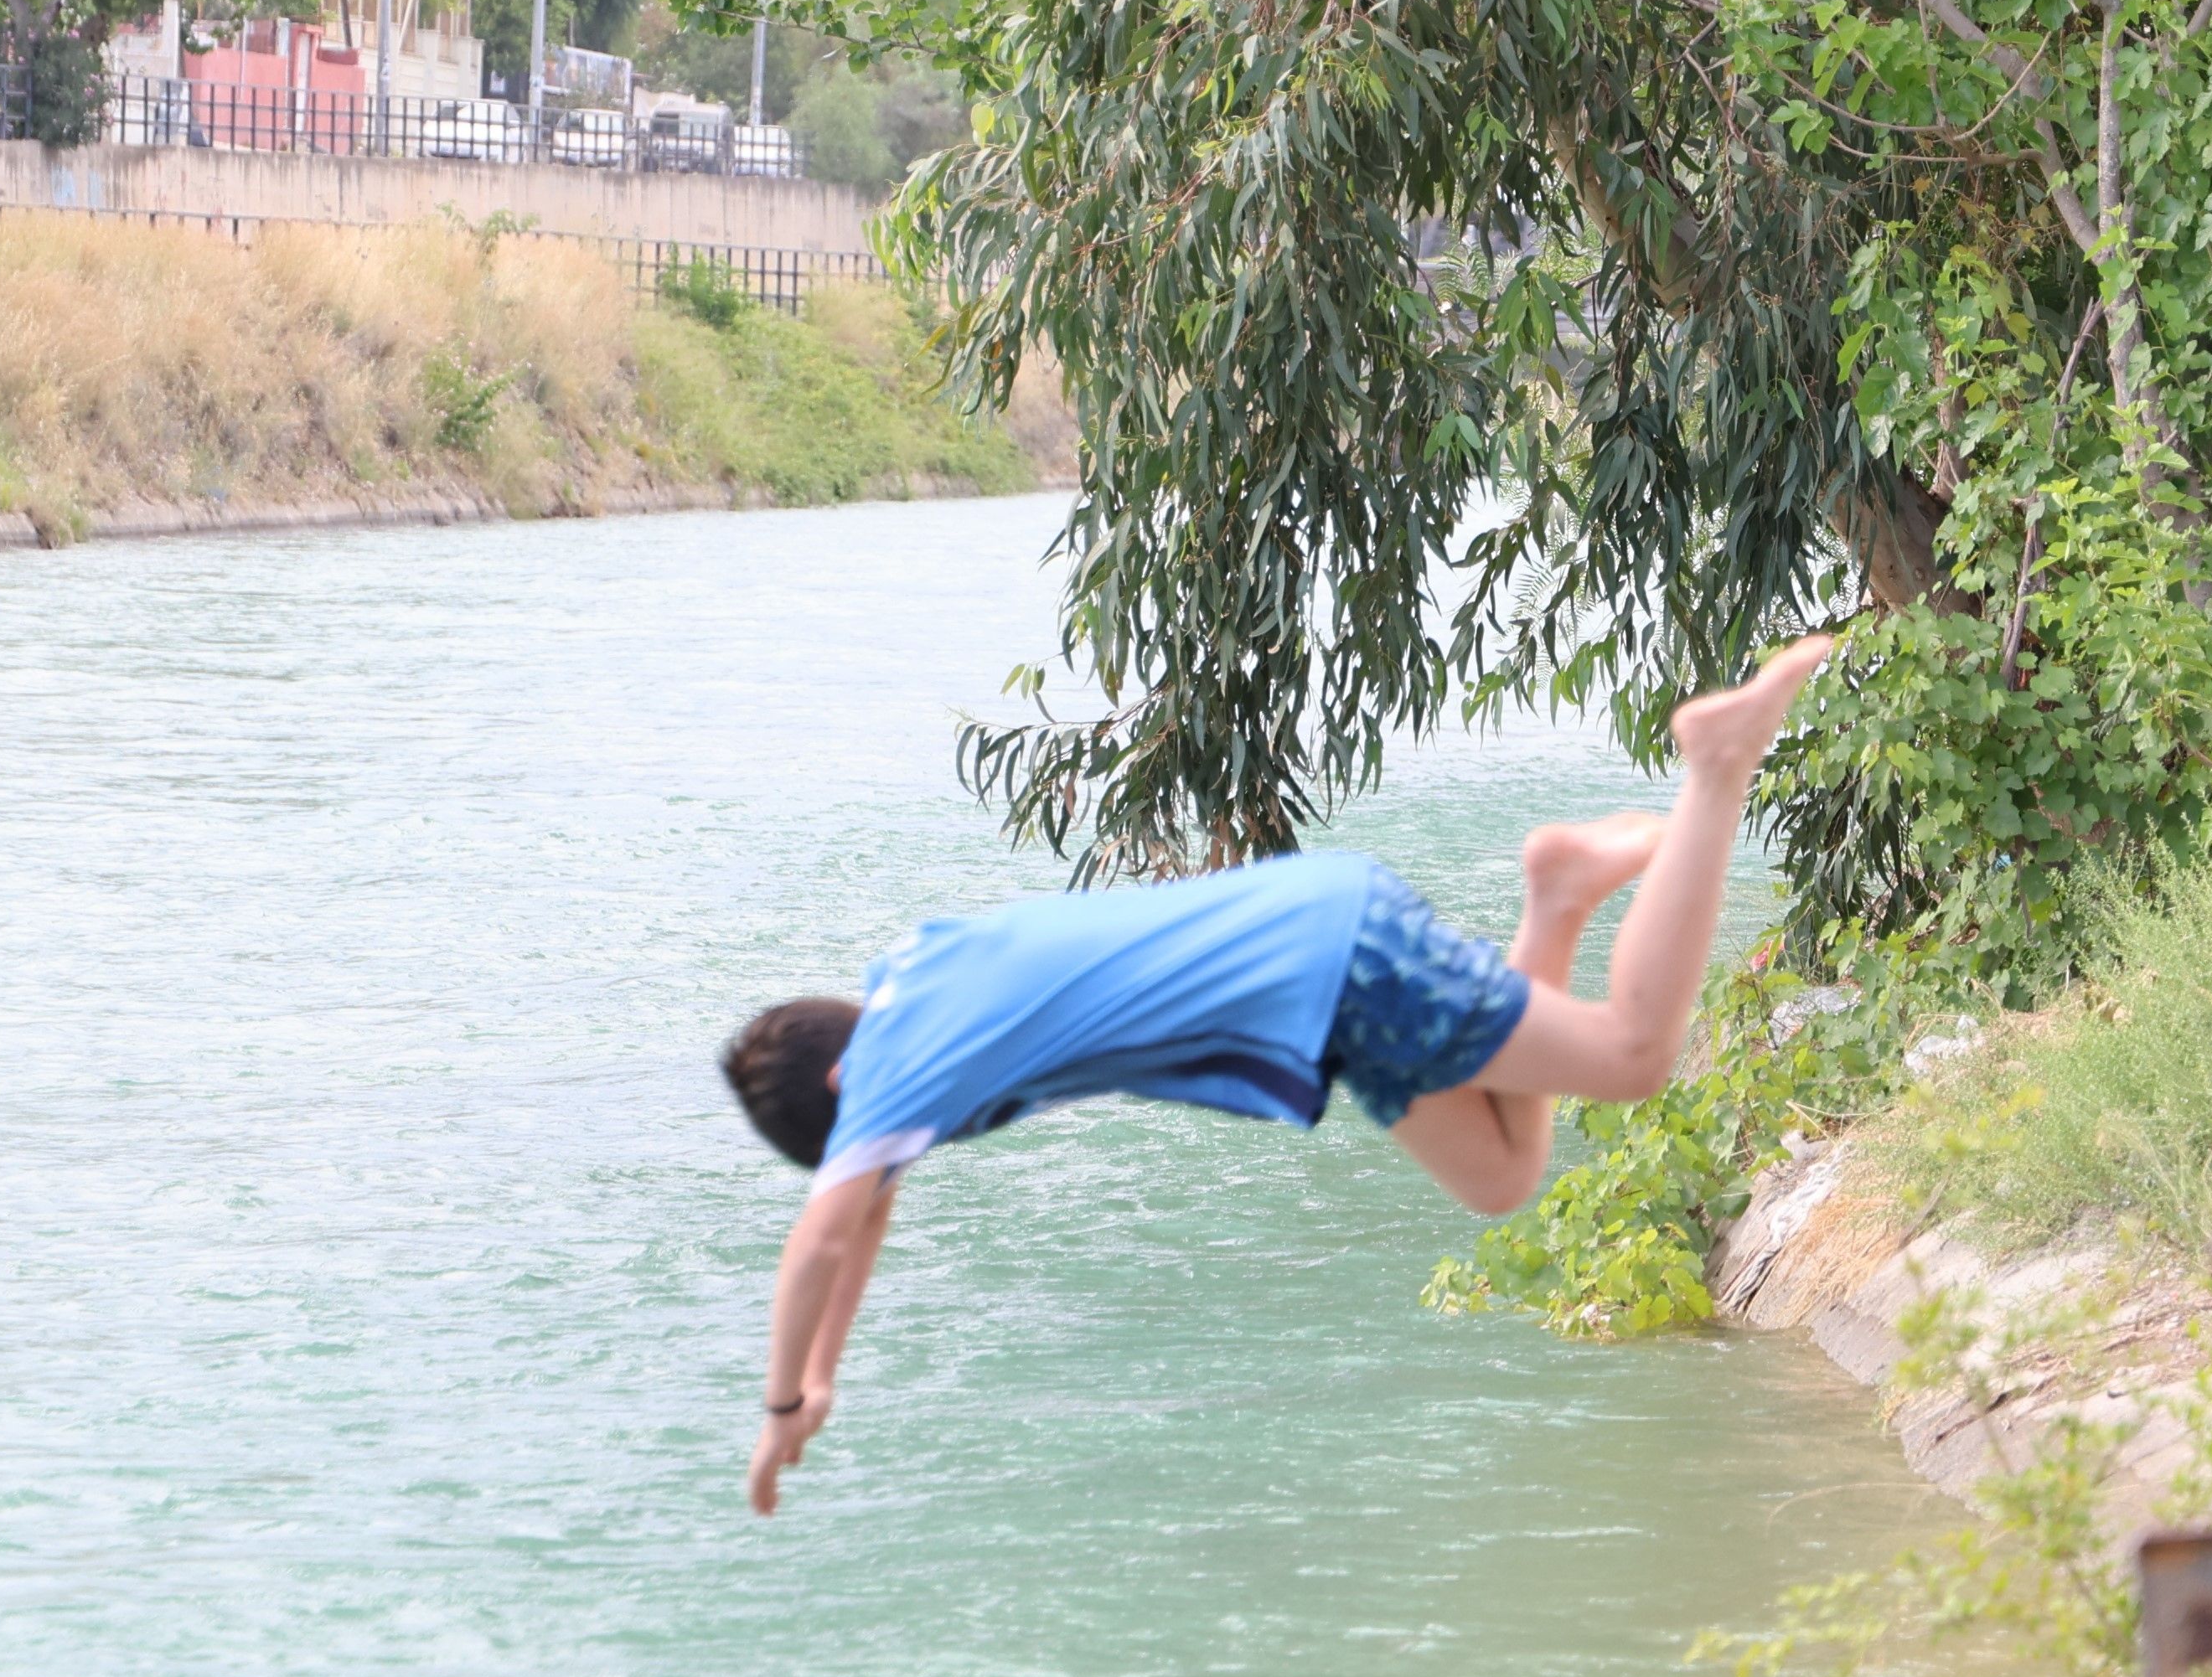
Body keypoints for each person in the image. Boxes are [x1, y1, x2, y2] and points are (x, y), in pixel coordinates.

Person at [721, 635, 1836, 1515]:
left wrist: (778, 1407)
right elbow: (863, 1218)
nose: (871, 1165)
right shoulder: (912, 981)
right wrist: (823, 1376)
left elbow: (825, 1234)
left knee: (1629, 1057)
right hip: (1315, 986)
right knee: (1499, 1177)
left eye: (848, 1148)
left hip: (1328, 971)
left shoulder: (889, 1073)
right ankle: (1557, 895)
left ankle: (1714, 764)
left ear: (839, 1097)